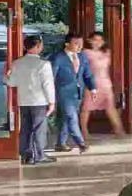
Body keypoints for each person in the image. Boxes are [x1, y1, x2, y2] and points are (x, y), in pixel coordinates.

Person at [8, 34, 54, 165]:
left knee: (25, 128)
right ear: (38, 46)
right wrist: (52, 102)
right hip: (39, 101)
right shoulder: (43, 64)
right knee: (39, 129)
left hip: (23, 101)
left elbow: (11, 82)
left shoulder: (17, 63)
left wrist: (5, 77)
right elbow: (48, 85)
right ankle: (39, 155)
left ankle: (26, 156)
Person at [51, 32, 89, 153]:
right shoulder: (58, 57)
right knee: (72, 117)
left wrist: (93, 88)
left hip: (77, 93)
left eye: (81, 44)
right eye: (76, 44)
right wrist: (50, 95)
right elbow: (51, 77)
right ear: (67, 44)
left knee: (65, 118)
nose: (80, 46)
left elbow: (87, 74)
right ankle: (81, 143)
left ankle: (60, 143)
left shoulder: (82, 56)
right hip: (63, 93)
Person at [81, 31, 119, 134]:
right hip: (91, 84)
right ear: (90, 40)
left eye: (100, 40)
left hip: (106, 84)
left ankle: (119, 130)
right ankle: (84, 131)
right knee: (86, 108)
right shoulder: (86, 53)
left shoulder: (107, 53)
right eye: (95, 40)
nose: (98, 42)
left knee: (110, 107)